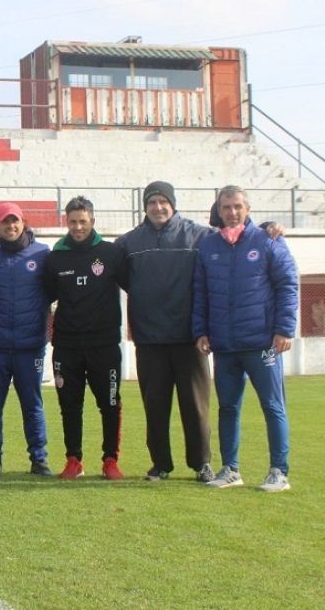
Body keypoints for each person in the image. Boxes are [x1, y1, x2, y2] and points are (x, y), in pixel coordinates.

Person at [193, 185, 298, 492]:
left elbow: (288, 285)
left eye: (237, 206)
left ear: (247, 209)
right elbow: (200, 292)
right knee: (228, 408)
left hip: (262, 343)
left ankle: (279, 471)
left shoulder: (267, 240)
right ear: (219, 210)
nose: (232, 212)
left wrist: (284, 329)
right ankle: (230, 469)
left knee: (272, 406)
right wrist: (201, 331)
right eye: (226, 207)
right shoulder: (209, 246)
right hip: (225, 346)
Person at [115, 181, 215, 482]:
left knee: (196, 409)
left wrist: (269, 229)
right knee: (155, 408)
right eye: (152, 202)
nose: (158, 207)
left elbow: (234, 236)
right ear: (144, 207)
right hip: (149, 339)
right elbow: (120, 276)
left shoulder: (198, 235)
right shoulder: (129, 243)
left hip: (190, 339)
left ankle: (201, 464)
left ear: (173, 204)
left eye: (163, 201)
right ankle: (160, 464)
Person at [44, 196, 127, 480]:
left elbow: (136, 287)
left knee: (110, 403)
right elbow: (45, 296)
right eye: (72, 222)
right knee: (70, 404)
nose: (78, 227)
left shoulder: (111, 253)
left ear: (93, 221)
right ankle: (73, 459)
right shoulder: (55, 258)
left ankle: (110, 460)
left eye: (83, 221)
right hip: (66, 346)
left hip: (103, 345)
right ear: (65, 222)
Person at [0, 203, 52, 477]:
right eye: (4, 222)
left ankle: (39, 459)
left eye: (15, 221)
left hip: (30, 346)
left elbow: (53, 292)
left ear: (23, 223)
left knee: (33, 406)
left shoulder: (42, 254)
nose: (10, 226)